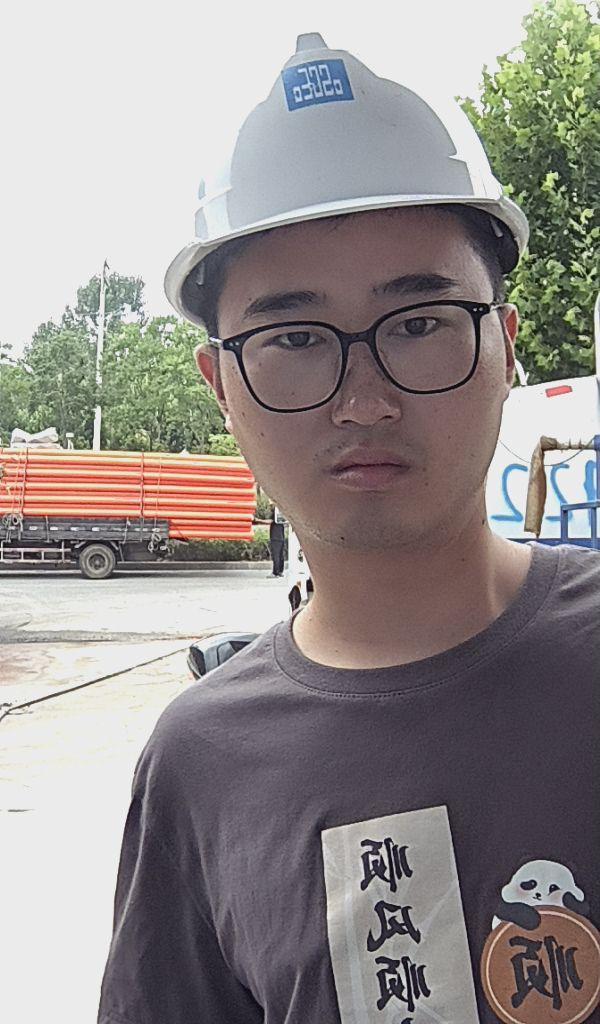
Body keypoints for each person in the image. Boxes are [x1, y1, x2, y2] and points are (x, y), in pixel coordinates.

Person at [98, 33, 599, 1024]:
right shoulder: (200, 765)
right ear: (221, 386)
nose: (364, 400)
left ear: (504, 346)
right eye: (293, 338)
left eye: (419, 323)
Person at [254, 498, 286, 577]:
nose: (269, 503)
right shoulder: (282, 510)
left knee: (276, 555)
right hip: (281, 535)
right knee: (280, 555)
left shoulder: (276, 510)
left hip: (275, 535)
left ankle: (275, 573)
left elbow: (271, 521)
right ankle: (280, 571)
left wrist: (257, 520)